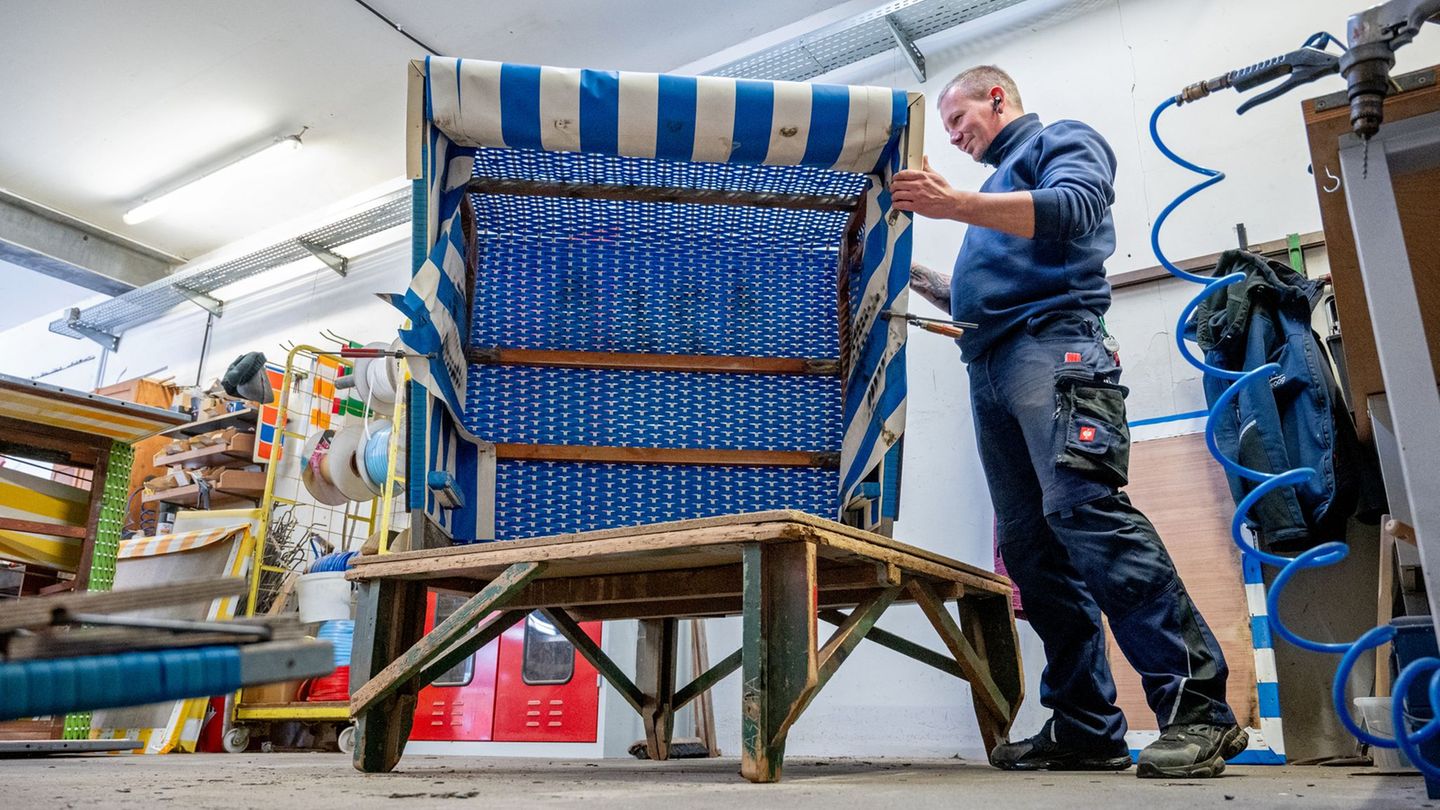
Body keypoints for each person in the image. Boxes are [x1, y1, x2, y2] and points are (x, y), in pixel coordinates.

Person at [891, 65, 1249, 779]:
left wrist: (955, 204)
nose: (955, 139)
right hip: (991, 360)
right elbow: (978, 292)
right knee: (1030, 548)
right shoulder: (990, 196)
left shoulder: (1060, 142)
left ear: (998, 98)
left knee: (1086, 511)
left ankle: (1199, 711)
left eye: (959, 121)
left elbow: (1075, 207)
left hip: (1054, 345)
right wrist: (906, 277)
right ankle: (1087, 725)